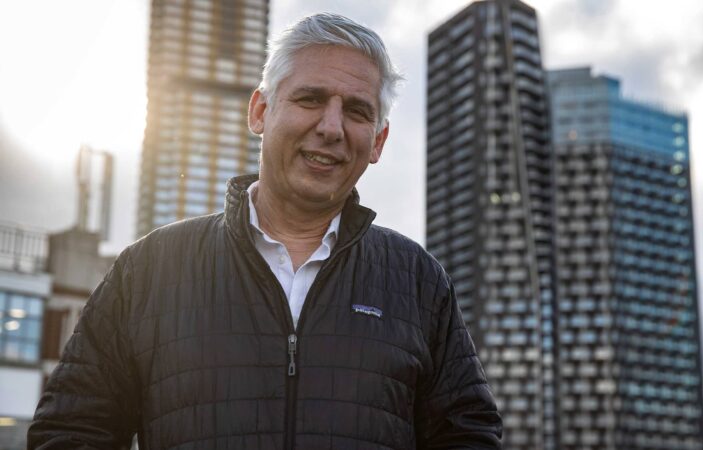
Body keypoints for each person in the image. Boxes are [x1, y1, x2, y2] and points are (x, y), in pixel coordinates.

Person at [28, 13, 501, 449]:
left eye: (357, 111)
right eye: (310, 99)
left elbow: (468, 434)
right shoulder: (149, 268)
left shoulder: (418, 281)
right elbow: (70, 430)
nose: (331, 127)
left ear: (377, 141)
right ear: (259, 111)